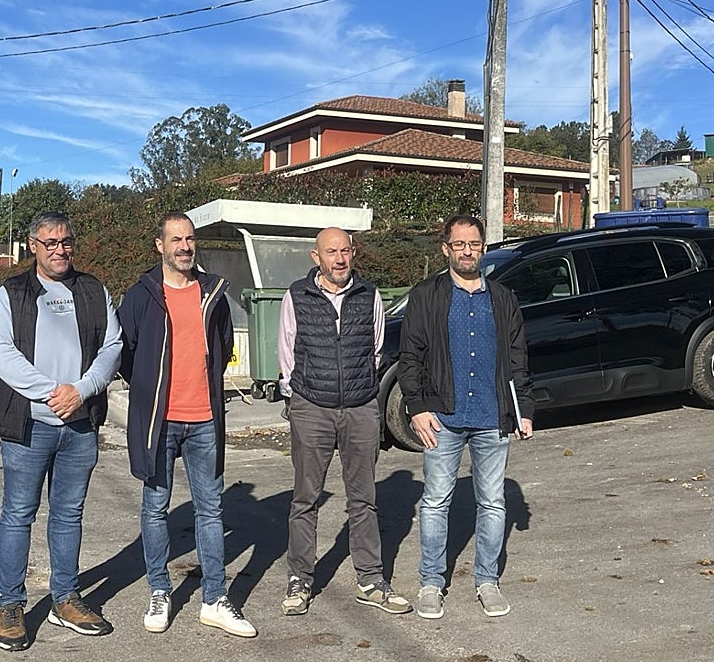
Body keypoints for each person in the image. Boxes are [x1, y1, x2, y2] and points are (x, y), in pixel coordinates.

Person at [0, 211, 123, 651]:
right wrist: (52, 393)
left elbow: (113, 346)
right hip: (28, 427)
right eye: (51, 243)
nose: (60, 250)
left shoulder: (93, 289)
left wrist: (82, 391)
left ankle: (65, 599)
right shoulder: (12, 293)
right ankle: (11, 605)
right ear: (33, 246)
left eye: (66, 242)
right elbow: (2, 354)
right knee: (17, 515)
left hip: (79, 427)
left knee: (68, 515)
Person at [118, 211, 257, 638]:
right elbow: (125, 352)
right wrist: (149, 390)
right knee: (155, 507)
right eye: (176, 239)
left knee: (210, 509)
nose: (184, 247)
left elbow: (224, 345)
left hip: (204, 420)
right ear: (159, 245)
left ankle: (214, 599)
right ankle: (160, 591)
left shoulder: (212, 292)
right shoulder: (142, 295)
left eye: (190, 239)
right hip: (158, 422)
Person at [397, 214, 534, 620]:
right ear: (446, 249)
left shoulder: (503, 298)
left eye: (474, 244)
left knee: (492, 502)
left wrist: (524, 409)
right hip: (443, 416)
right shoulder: (427, 295)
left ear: (483, 248)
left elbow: (518, 358)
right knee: (435, 502)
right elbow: (410, 357)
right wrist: (417, 407)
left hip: (493, 417)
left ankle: (487, 581)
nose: (467, 251)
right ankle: (431, 583)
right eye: (459, 244)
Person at [277, 227, 412, 617]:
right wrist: (300, 397)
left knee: (364, 500)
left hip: (360, 408)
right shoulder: (296, 296)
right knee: (305, 499)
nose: (339, 259)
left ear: (353, 253)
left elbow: (376, 350)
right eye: (331, 252)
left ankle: (370, 580)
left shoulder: (369, 295)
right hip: (311, 408)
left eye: (345, 251)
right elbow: (287, 353)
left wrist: (358, 390)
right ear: (316, 257)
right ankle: (300, 579)